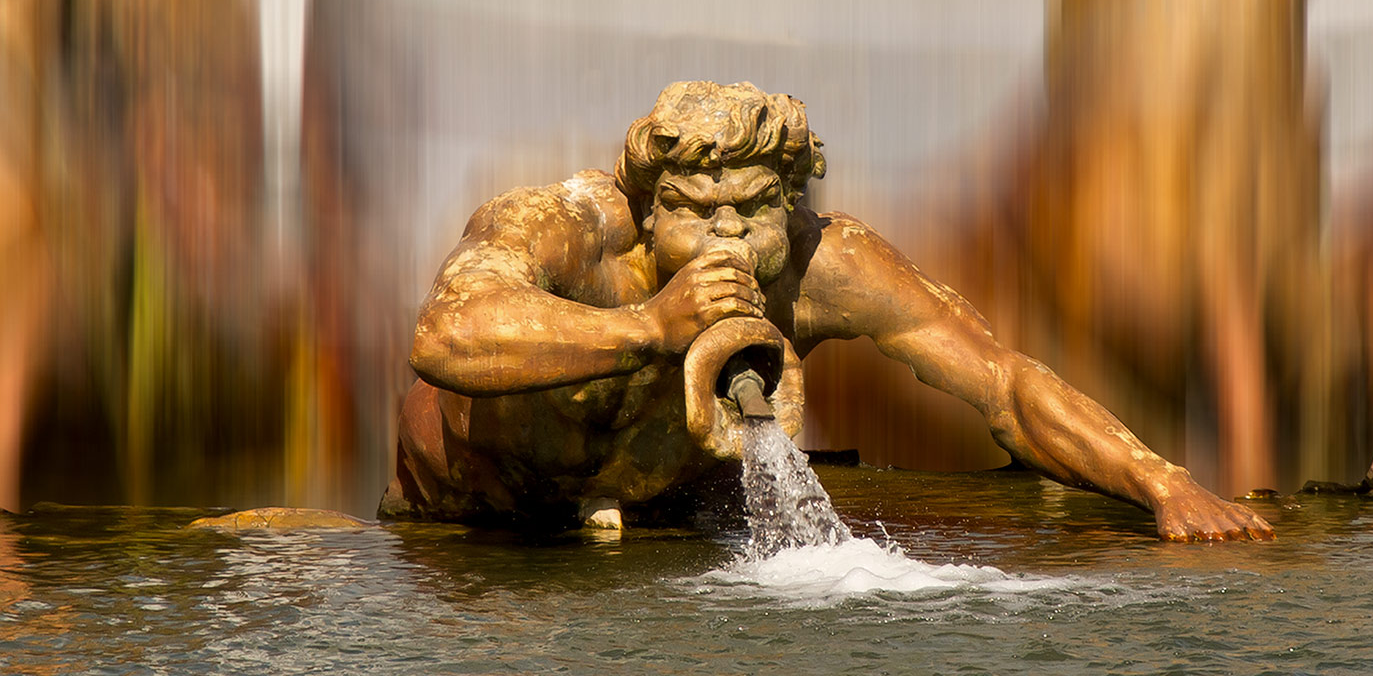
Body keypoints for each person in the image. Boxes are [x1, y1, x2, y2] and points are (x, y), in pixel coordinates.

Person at [381, 81, 1271, 541]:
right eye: (695, 210)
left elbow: (1003, 383)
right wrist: (649, 328)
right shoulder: (569, 227)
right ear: (648, 207)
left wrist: (1166, 484)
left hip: (647, 514)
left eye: (754, 210)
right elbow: (443, 333)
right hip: (471, 506)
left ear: (792, 203)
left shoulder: (822, 259)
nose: (726, 235)